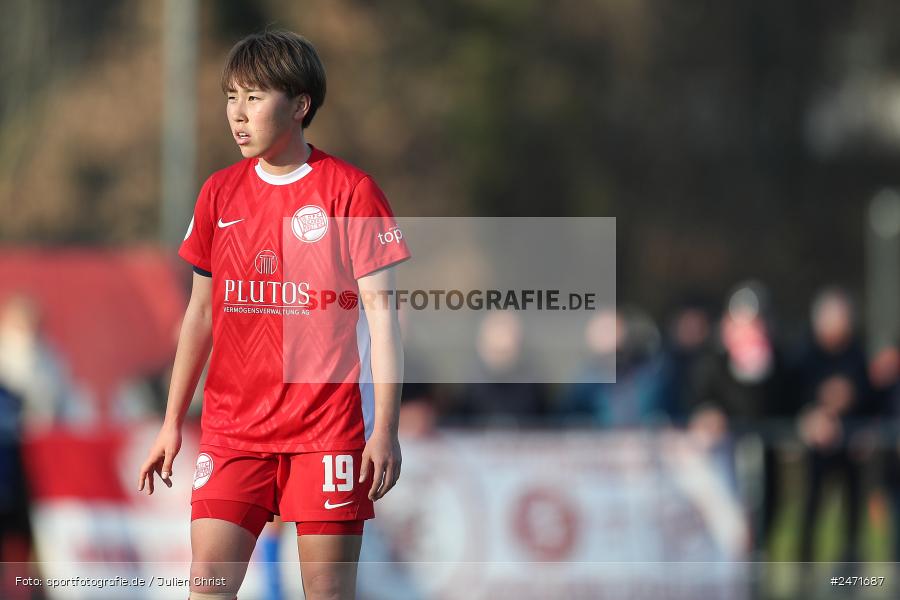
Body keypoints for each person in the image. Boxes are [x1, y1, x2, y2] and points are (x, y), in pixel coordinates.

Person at [137, 30, 411, 600]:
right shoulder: (219, 193)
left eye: (255, 98)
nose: (237, 115)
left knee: (326, 591)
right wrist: (170, 421)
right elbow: (200, 316)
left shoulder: (351, 192)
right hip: (233, 433)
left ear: (300, 105)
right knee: (207, 588)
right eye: (231, 97)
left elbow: (384, 319)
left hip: (327, 432)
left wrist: (385, 428)